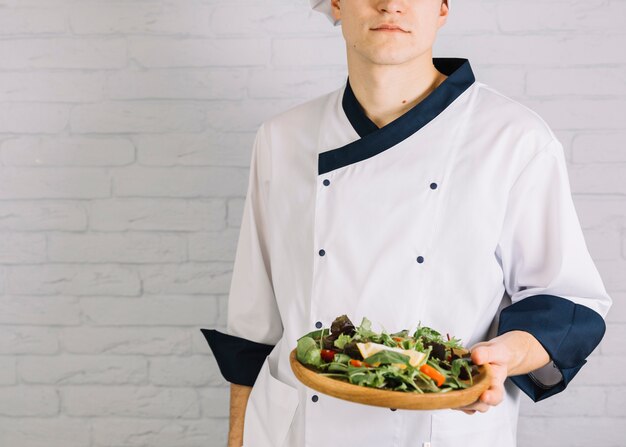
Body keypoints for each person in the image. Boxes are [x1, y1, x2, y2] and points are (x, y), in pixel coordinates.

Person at [201, 0, 612, 446]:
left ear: (442, 8)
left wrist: (502, 357)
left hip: (438, 427)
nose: (391, 4)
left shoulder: (513, 139)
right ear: (337, 4)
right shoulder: (282, 138)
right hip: (297, 429)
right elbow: (251, 330)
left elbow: (563, 300)